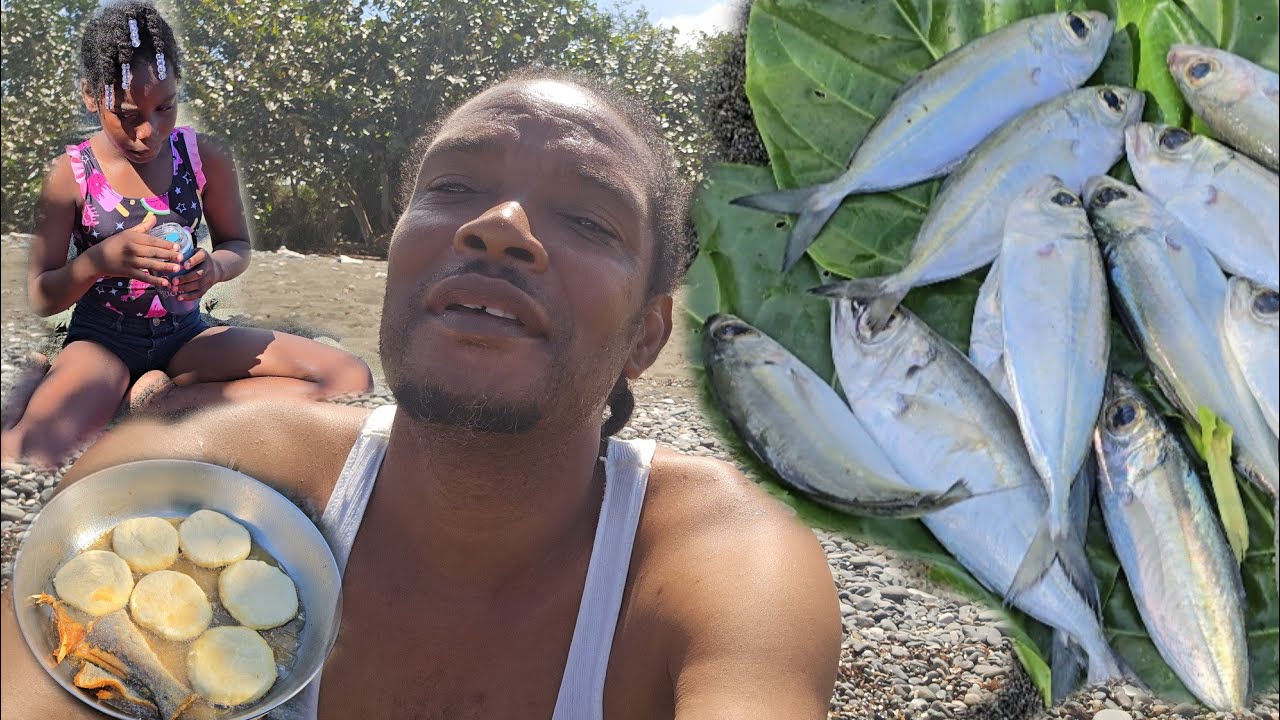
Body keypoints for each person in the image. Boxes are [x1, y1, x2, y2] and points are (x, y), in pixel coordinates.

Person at [0, 69, 841, 719]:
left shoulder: (721, 561)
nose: (501, 224)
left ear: (648, 335)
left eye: (588, 220)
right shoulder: (190, 478)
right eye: (452, 188)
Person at [0, 1, 373, 469]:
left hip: (186, 336)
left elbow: (236, 244)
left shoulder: (203, 158)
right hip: (102, 342)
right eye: (127, 114)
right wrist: (99, 261)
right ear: (91, 96)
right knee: (30, 453)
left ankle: (165, 404)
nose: (148, 132)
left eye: (165, 108)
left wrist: (215, 267)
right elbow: (42, 295)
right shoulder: (71, 174)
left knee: (347, 377)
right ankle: (39, 387)